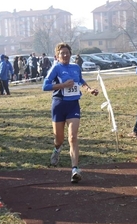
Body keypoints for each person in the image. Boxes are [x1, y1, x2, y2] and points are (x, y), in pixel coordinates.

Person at [42, 43, 99, 183]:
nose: (65, 55)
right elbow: (45, 86)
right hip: (59, 105)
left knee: (73, 137)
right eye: (62, 53)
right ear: (57, 56)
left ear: (70, 54)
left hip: (73, 105)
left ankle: (75, 169)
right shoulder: (56, 68)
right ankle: (57, 150)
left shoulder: (75, 68)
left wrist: (89, 89)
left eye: (67, 53)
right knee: (59, 140)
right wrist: (63, 85)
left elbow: (81, 81)